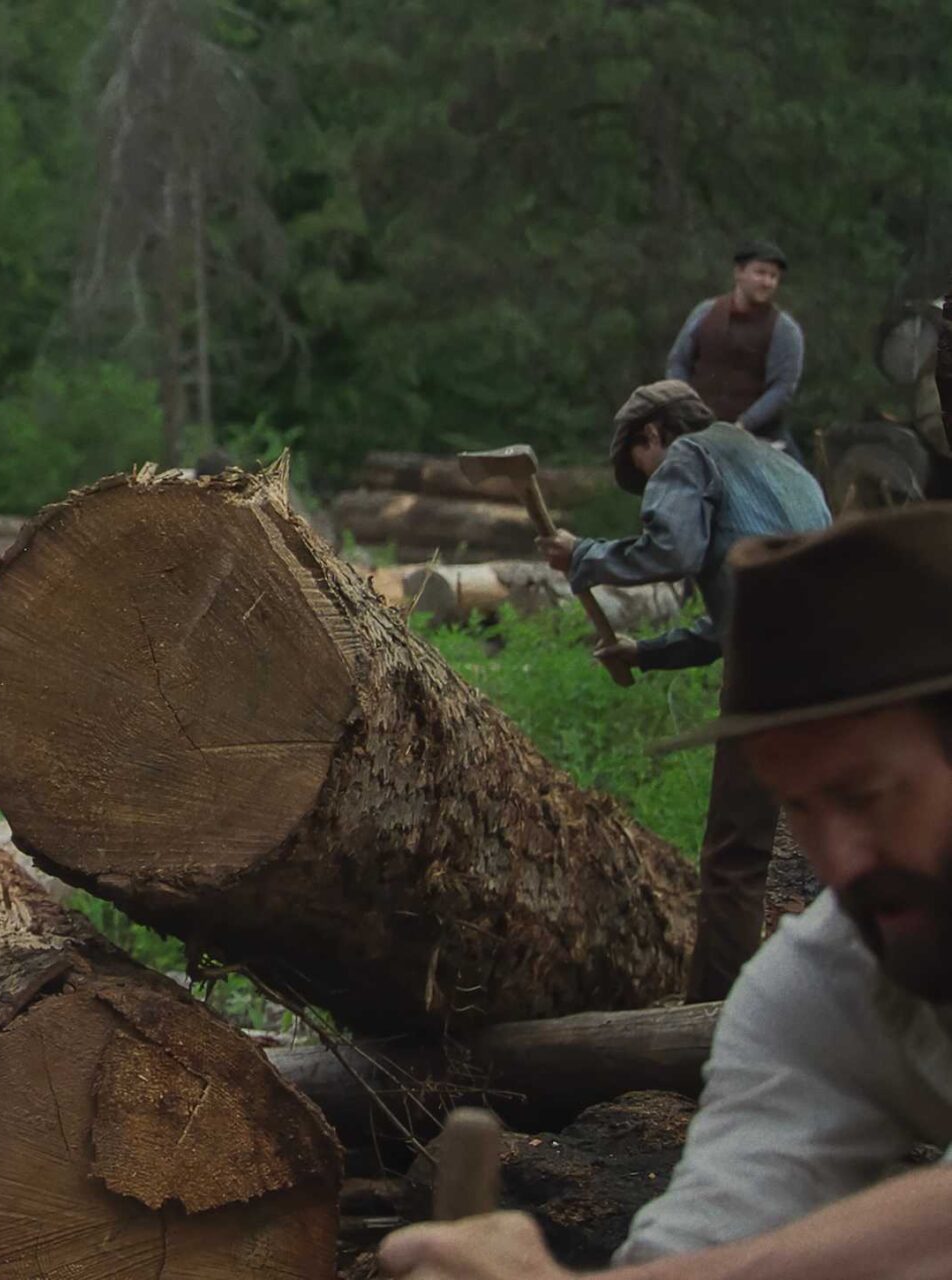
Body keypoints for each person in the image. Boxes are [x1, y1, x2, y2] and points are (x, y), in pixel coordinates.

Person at [382, 504, 952, 1279]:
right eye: (801, 809)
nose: (839, 863)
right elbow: (714, 1234)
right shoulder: (826, 983)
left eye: (865, 796)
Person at [540, 380, 831, 1002]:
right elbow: (740, 612)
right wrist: (646, 652)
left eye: (643, 469)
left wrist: (584, 554)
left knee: (736, 857)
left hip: (771, 667)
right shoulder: (783, 467)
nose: (654, 486)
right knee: (830, 838)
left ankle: (711, 1020)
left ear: (652, 434)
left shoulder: (689, 454)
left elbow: (673, 548)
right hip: (841, 663)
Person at [665, 240, 805, 455]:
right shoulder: (705, 313)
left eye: (773, 276)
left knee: (797, 477)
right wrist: (685, 408)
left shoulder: (784, 329)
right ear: (739, 273)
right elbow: (678, 362)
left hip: (759, 439)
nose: (767, 282)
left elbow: (782, 388)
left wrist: (744, 424)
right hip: (697, 433)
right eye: (760, 273)